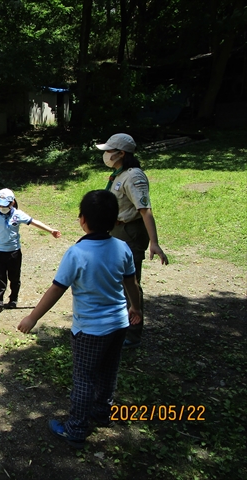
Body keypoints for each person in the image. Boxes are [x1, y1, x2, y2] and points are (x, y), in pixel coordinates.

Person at [18, 190, 142, 449]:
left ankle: (75, 429)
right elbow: (132, 283)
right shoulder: (122, 248)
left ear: (82, 219)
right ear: (116, 219)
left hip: (89, 331)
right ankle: (103, 413)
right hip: (119, 325)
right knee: (108, 372)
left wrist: (32, 317)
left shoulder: (77, 253)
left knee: (84, 378)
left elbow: (56, 289)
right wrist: (135, 308)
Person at [96, 133, 169, 349]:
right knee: (116, 280)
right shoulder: (119, 174)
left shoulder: (134, 176)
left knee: (130, 282)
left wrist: (154, 242)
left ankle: (133, 334)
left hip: (130, 233)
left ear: (121, 153)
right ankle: (119, 326)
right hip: (117, 231)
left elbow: (145, 211)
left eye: (110, 151)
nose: (106, 155)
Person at [0, 188, 61, 316]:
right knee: (0, 277)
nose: (1, 207)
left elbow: (34, 222)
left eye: (4, 204)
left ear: (12, 203)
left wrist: (50, 230)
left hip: (14, 252)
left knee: (14, 277)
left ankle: (13, 299)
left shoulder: (18, 214)